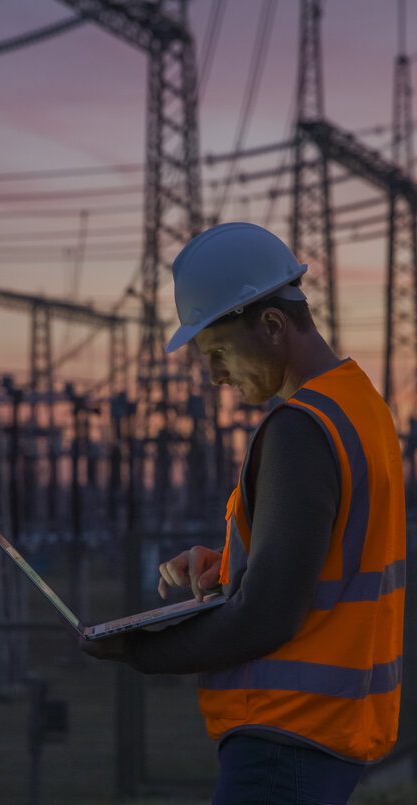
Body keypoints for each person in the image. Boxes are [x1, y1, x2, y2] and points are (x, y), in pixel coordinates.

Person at [74, 222, 406, 805]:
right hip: (334, 734)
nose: (216, 376)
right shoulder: (364, 409)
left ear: (273, 325)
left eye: (219, 351)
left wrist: (140, 649)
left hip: (284, 741)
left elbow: (269, 616)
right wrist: (230, 564)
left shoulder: (300, 428)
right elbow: (326, 560)